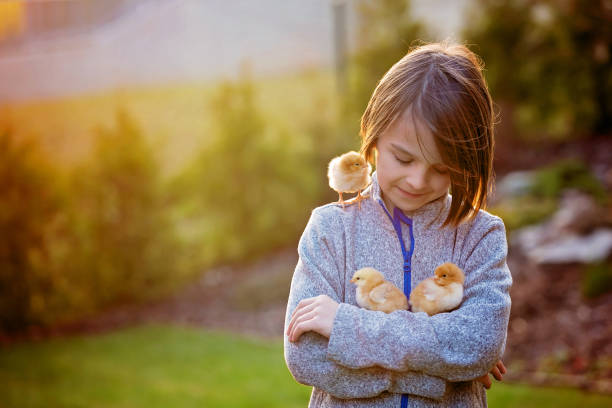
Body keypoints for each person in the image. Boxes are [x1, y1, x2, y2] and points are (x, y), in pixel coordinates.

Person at [283, 42, 512, 407]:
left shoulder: (480, 235)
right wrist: (441, 370)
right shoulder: (330, 229)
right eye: (403, 158)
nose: (418, 181)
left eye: (442, 169)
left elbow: (479, 344)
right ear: (374, 138)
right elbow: (306, 358)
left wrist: (346, 327)